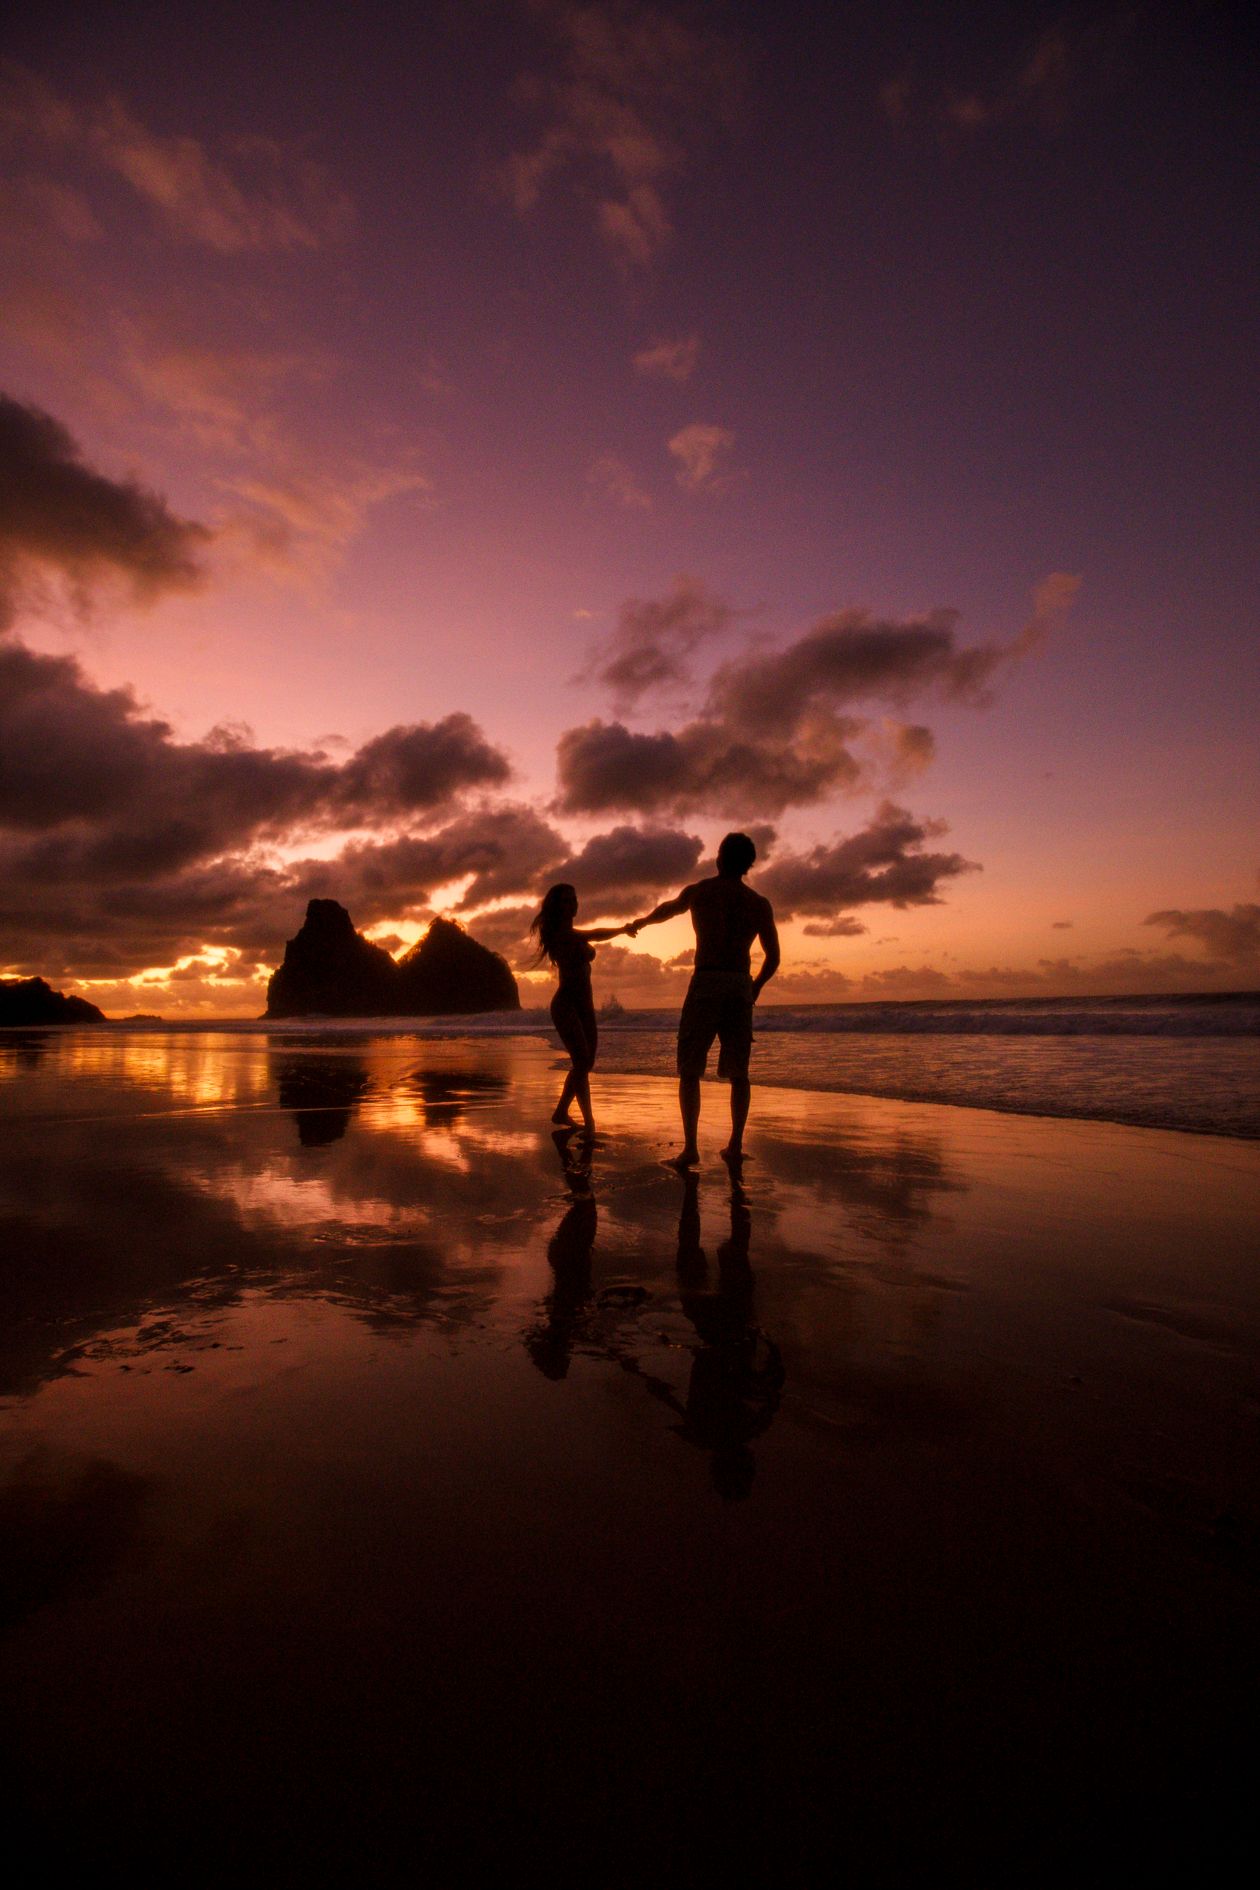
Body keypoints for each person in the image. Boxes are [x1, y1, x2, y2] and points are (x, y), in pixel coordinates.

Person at [628, 832, 779, 1166]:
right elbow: (773, 958)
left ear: (719, 857)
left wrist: (641, 922)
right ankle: (735, 1146)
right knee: (739, 1071)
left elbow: (668, 909)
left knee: (690, 1068)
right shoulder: (757, 903)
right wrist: (756, 987)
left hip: (707, 979)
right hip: (740, 983)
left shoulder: (702, 891)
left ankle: (691, 1148)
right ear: (748, 865)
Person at [530, 883, 628, 1133]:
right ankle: (562, 1111)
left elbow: (587, 937)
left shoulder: (572, 933)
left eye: (574, 899)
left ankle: (589, 1122)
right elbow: (594, 934)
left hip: (585, 1007)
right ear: (555, 906)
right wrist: (623, 929)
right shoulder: (559, 934)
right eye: (565, 900)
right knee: (582, 1062)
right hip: (566, 1006)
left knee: (584, 1064)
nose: (572, 904)